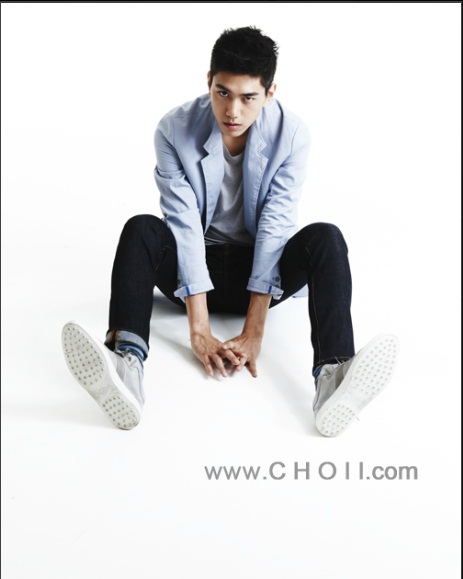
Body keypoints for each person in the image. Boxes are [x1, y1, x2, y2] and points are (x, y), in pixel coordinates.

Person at [62, 26, 398, 436]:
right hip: (193, 270)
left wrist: (254, 330)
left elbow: (276, 225)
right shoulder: (173, 130)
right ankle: (125, 365)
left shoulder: (292, 135)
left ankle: (333, 377)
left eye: (247, 97)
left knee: (327, 237)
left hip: (261, 272)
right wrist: (199, 329)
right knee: (141, 228)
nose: (232, 111)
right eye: (222, 93)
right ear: (208, 81)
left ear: (270, 93)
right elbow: (183, 224)